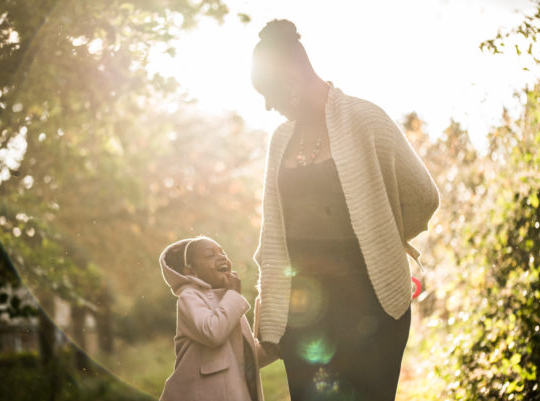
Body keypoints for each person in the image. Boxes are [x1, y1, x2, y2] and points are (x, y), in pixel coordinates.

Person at [250, 19, 440, 401]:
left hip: (369, 306)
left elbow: (423, 196)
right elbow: (273, 230)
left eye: (271, 93)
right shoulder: (280, 139)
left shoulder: (365, 119)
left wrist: (382, 232)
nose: (270, 107)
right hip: (303, 312)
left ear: (292, 77)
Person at [158, 235, 275, 401]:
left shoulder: (228, 300)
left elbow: (245, 358)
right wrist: (233, 294)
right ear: (191, 271)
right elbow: (212, 333)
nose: (221, 256)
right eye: (209, 255)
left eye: (222, 252)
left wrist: (273, 348)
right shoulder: (189, 296)